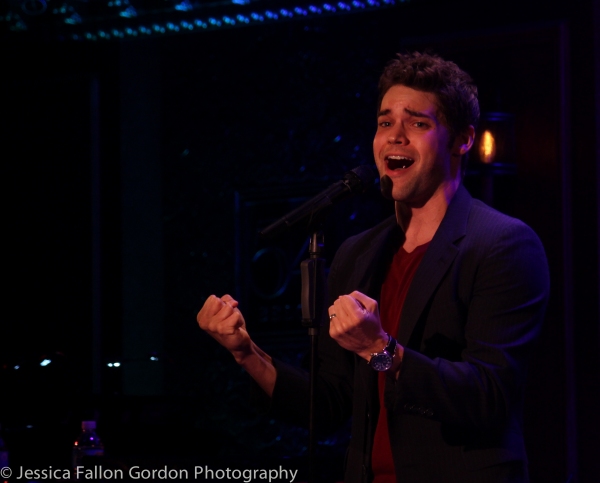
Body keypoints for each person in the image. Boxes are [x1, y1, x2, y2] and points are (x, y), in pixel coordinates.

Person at [197, 52, 550, 483]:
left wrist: (382, 351)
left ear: (462, 140)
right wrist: (245, 352)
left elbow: (489, 396)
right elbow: (328, 403)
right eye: (385, 123)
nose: (395, 137)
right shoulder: (358, 254)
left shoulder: (502, 244)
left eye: (418, 123)